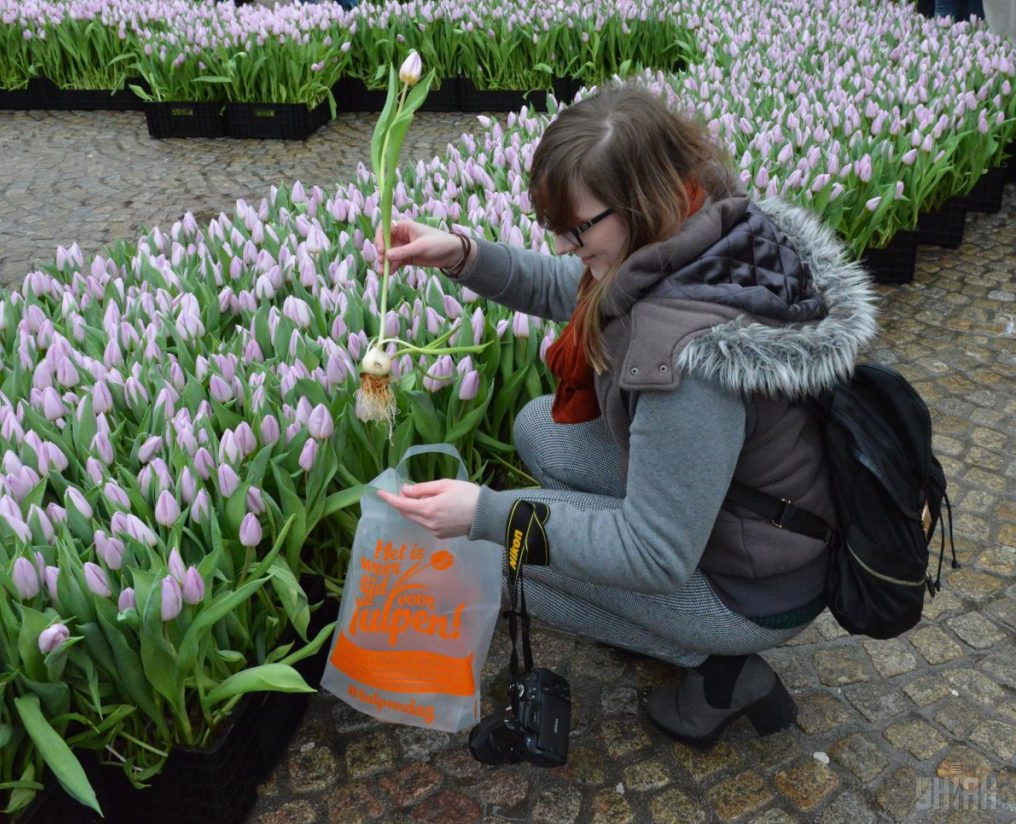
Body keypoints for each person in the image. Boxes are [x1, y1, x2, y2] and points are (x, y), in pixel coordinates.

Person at [375, 86, 877, 748]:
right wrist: (464, 255)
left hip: (755, 583)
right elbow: (581, 293)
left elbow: (655, 555)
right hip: (754, 507)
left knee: (500, 558)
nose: (564, 242)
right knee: (537, 429)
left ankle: (722, 666)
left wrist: (487, 516)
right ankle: (672, 617)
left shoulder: (685, 363)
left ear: (638, 199)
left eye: (577, 229)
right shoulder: (697, 226)